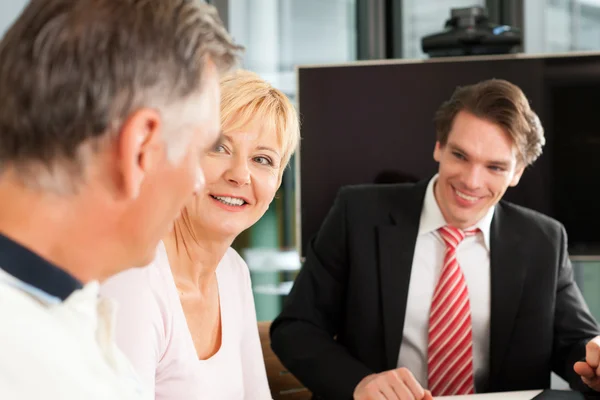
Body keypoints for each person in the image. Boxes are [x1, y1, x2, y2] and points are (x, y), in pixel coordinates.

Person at [270, 79, 600, 400]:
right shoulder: (356, 214)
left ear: (517, 172)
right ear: (439, 147)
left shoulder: (543, 239)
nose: (472, 181)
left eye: (495, 167)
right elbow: (296, 327)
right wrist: (360, 383)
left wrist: (596, 365)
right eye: (460, 156)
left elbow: (576, 344)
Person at [0, 0, 240, 398]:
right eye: (201, 151)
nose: (198, 183)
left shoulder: (60, 304)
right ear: (140, 149)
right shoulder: (35, 371)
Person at [100, 69, 300, 400]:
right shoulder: (134, 279)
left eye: (262, 159)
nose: (240, 174)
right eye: (219, 147)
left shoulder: (233, 271)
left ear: (277, 182)